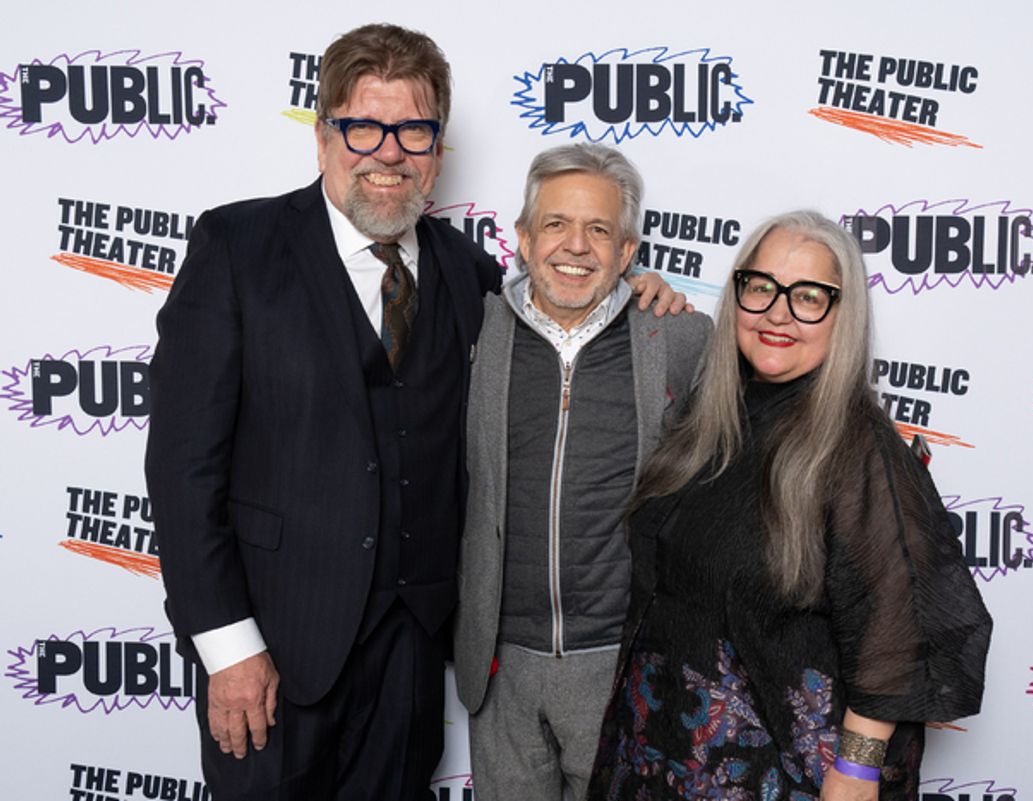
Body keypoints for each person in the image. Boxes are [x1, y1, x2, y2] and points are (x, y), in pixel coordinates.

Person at [145, 24, 678, 801]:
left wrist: (643, 296)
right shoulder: (237, 247)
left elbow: (567, 295)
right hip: (273, 653)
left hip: (411, 655)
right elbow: (183, 468)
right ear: (324, 136)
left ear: (436, 148)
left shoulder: (469, 271)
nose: (388, 151)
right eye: (364, 125)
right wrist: (228, 649)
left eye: (414, 129)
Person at [587, 211, 992, 801]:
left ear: (842, 315)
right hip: (657, 755)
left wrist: (856, 773)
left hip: (777, 775)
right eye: (761, 287)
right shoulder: (715, 416)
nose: (778, 313)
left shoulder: (859, 448)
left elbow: (900, 630)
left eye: (808, 297)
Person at [453, 143, 712, 801]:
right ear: (522, 238)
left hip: (623, 664)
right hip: (502, 666)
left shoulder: (679, 337)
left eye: (599, 229)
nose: (576, 245)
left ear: (628, 252)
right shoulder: (472, 331)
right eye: (556, 224)